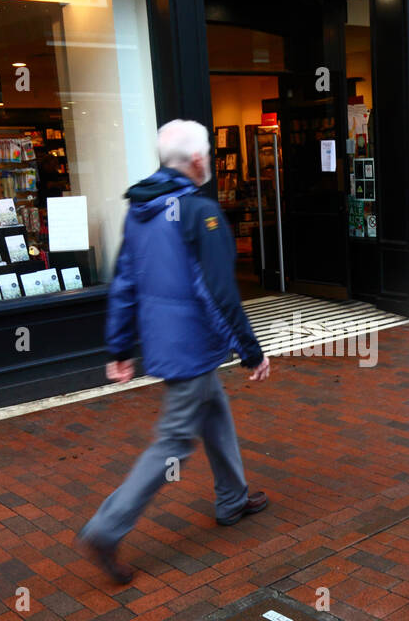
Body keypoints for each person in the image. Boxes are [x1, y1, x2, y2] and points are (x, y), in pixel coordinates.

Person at [75, 120, 270, 585]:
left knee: (213, 408)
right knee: (173, 443)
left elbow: (125, 282)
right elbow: (221, 293)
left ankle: (232, 497)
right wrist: (251, 350)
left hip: (166, 343)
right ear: (199, 161)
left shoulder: (140, 211)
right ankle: (106, 528)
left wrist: (120, 346)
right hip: (192, 346)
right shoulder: (199, 214)